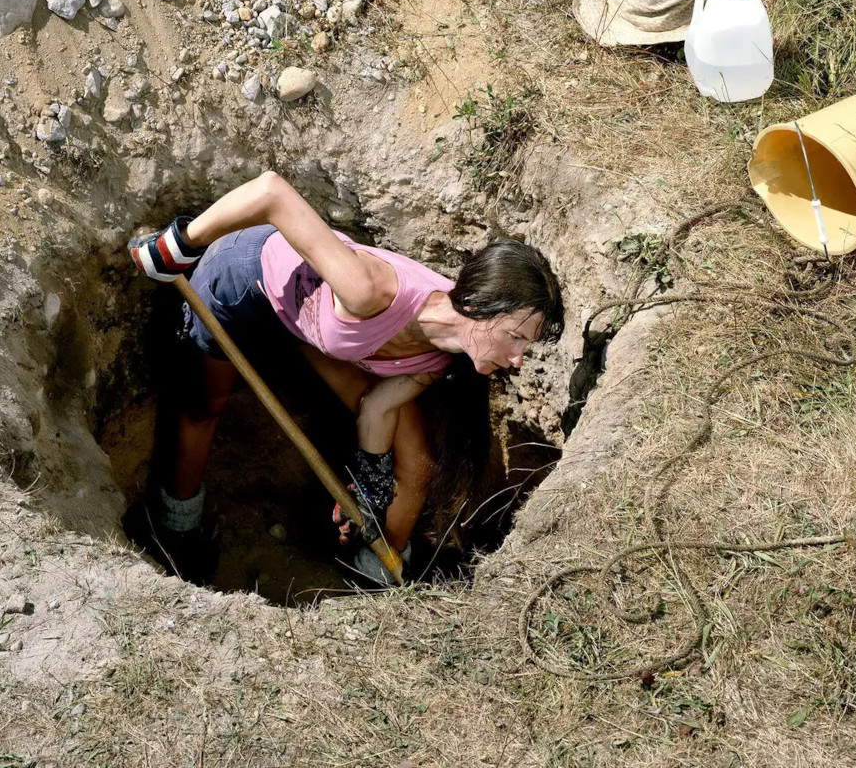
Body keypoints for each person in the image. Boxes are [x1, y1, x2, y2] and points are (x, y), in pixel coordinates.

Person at [129, 167, 562, 586]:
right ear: (482, 308)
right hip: (241, 284)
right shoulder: (369, 290)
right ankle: (176, 525)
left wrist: (368, 494)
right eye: (515, 337)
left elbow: (377, 407)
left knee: (414, 453)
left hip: (303, 329)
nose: (518, 358)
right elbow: (270, 192)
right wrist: (178, 245)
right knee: (204, 407)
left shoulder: (445, 360)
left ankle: (376, 562)